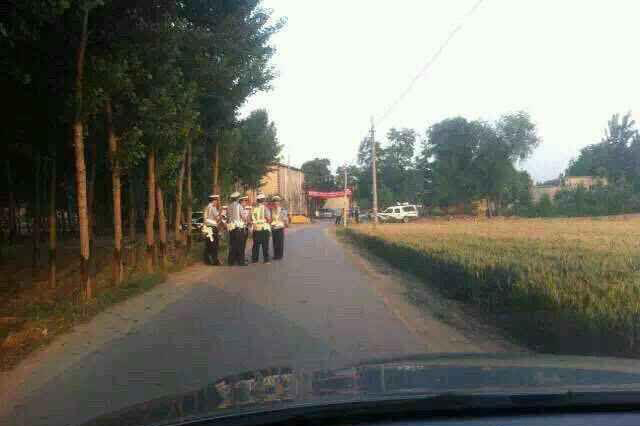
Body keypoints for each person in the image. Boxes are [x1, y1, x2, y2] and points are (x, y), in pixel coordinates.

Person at [226, 192, 248, 266]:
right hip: (238, 228)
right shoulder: (239, 206)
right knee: (240, 245)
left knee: (232, 245)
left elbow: (228, 217)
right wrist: (246, 220)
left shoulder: (229, 206)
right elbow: (244, 217)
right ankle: (241, 262)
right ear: (238, 198)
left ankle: (230, 262)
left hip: (231, 228)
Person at [251, 193, 271, 264]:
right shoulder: (266, 208)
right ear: (263, 200)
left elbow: (251, 218)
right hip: (264, 228)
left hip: (256, 228)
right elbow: (268, 219)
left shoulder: (254, 209)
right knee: (265, 245)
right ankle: (266, 260)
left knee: (256, 245)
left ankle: (254, 260)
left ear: (257, 201)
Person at [203, 194, 221, 265]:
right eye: (216, 200)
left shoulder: (206, 207)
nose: (216, 202)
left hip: (207, 228)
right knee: (214, 245)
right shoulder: (213, 208)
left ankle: (207, 260)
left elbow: (205, 219)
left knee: (208, 244)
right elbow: (217, 218)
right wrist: (220, 213)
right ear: (213, 200)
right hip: (213, 228)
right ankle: (215, 261)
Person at [270, 195, 288, 260]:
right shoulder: (271, 210)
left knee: (280, 242)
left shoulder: (283, 210)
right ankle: (275, 255)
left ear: (279, 202)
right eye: (274, 202)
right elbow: (271, 219)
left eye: (277, 201)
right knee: (275, 242)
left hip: (280, 227)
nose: (275, 203)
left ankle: (280, 255)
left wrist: (286, 223)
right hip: (274, 228)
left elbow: (285, 219)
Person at [239, 195, 251, 264]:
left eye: (246, 201)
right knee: (241, 244)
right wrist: (248, 221)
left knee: (243, 244)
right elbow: (244, 219)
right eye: (244, 201)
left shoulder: (245, 209)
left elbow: (248, 219)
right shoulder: (240, 209)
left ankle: (242, 257)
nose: (245, 202)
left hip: (245, 228)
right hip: (241, 228)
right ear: (241, 202)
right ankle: (241, 259)